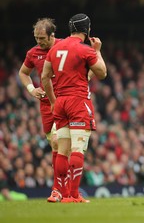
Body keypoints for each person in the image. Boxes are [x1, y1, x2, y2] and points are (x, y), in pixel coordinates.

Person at [42, 13, 107, 203]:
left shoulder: (55, 49)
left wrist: (53, 100)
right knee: (78, 149)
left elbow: (45, 76)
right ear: (87, 30)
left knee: (62, 150)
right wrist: (98, 51)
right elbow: (102, 73)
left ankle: (60, 193)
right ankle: (73, 194)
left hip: (60, 102)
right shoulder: (85, 50)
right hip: (78, 101)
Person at [18, 18, 62, 201]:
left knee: (59, 142)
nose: (39, 41)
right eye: (36, 37)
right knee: (55, 144)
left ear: (52, 35)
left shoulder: (64, 46)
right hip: (45, 104)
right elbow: (23, 73)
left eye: (42, 38)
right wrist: (31, 89)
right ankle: (61, 186)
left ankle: (58, 187)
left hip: (63, 101)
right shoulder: (33, 53)